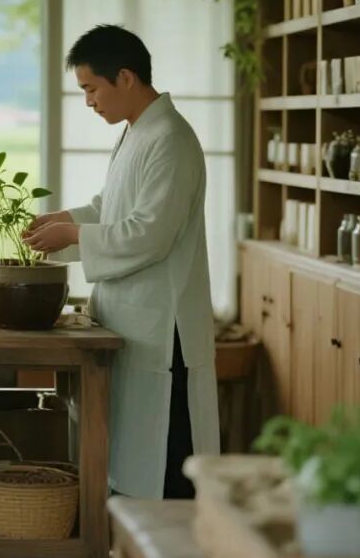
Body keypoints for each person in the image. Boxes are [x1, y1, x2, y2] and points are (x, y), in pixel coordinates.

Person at [24, 24, 219, 500]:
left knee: (167, 457)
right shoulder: (138, 131)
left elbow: (150, 233)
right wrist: (64, 220)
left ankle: (168, 546)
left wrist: (74, 235)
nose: (89, 101)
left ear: (126, 77)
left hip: (164, 325)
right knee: (133, 453)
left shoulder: (170, 139)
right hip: (133, 317)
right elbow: (111, 208)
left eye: (91, 88)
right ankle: (128, 542)